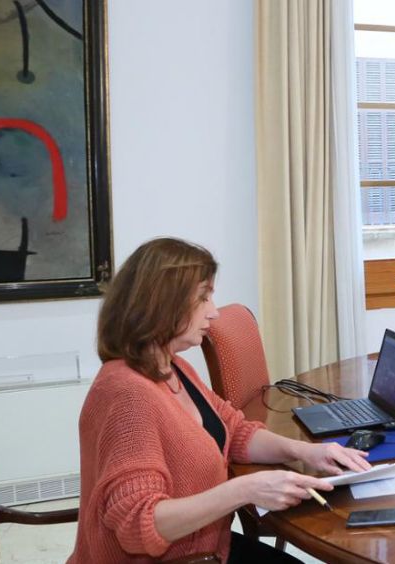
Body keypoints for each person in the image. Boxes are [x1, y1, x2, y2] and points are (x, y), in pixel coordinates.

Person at [69, 238, 373, 563]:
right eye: (203, 298)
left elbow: (235, 431)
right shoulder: (127, 395)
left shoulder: (172, 367)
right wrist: (245, 490)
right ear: (162, 303)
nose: (213, 312)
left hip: (210, 550)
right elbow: (139, 526)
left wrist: (306, 451)